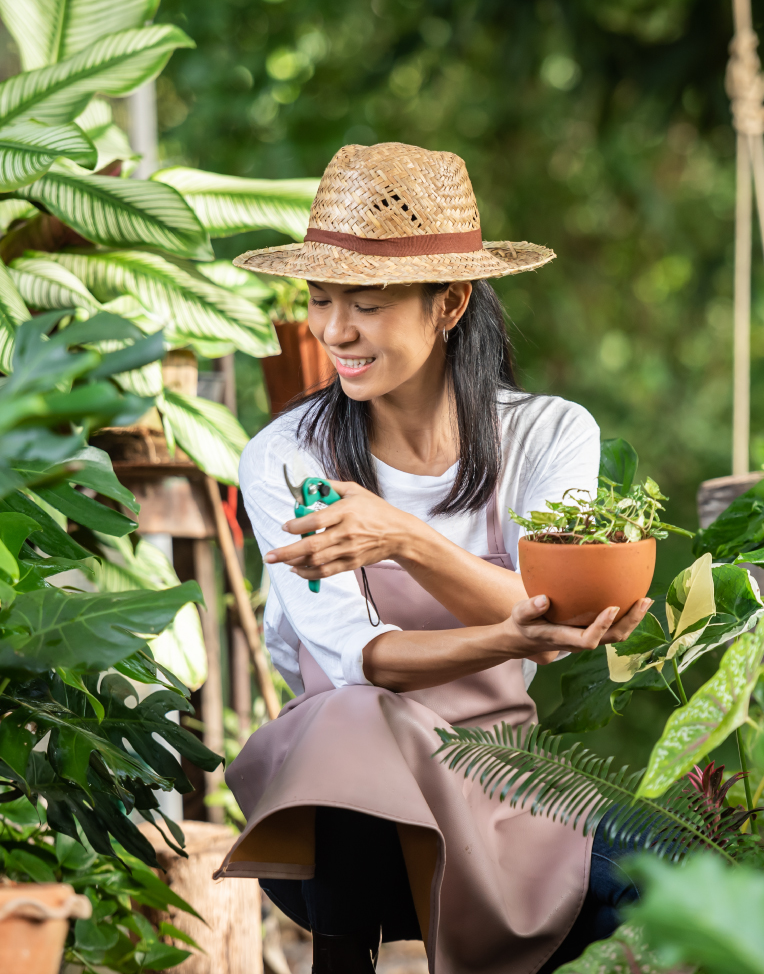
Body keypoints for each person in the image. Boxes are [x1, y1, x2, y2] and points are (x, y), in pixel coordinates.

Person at [216, 142, 652, 974]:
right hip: (341, 813)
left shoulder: (549, 435)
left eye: (367, 304)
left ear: (449, 302)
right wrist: (516, 632)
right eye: (320, 300)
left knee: (670, 888)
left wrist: (402, 538)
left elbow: (554, 603)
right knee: (352, 717)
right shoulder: (288, 457)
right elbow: (363, 660)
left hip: (499, 781)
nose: (333, 331)